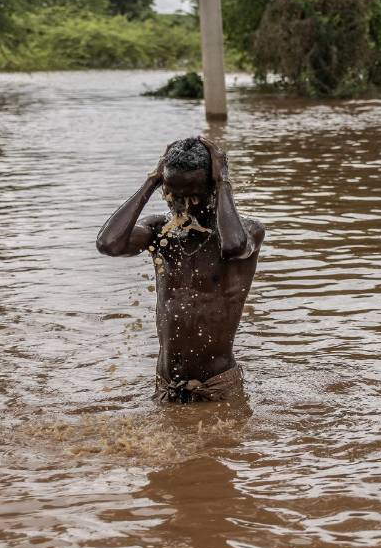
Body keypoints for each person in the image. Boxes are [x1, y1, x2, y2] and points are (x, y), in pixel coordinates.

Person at [96, 136, 264, 402]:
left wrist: (224, 182)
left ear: (213, 188)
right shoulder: (159, 232)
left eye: (195, 193)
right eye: (175, 193)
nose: (186, 203)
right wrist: (151, 181)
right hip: (166, 385)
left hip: (217, 387)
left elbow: (233, 246)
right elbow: (109, 244)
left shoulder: (247, 231)